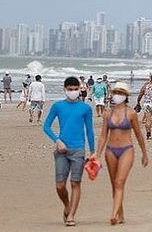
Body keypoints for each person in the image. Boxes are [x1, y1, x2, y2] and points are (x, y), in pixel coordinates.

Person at [42, 76, 95, 227]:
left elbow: (89, 131)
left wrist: (92, 151)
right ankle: (67, 205)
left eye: (75, 89)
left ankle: (71, 215)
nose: (73, 92)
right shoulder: (58, 106)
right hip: (62, 149)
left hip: (78, 149)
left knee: (75, 183)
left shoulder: (85, 108)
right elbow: (46, 126)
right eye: (70, 89)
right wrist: (57, 140)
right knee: (60, 185)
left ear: (80, 89)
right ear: (65, 90)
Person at [96, 82, 148, 225]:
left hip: (126, 149)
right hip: (110, 150)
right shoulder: (107, 113)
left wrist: (144, 153)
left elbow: (138, 134)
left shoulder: (130, 113)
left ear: (125, 96)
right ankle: (121, 214)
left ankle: (113, 214)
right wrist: (97, 155)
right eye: (116, 92)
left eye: (121, 93)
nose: (117, 95)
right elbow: (102, 136)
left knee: (120, 182)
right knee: (114, 184)